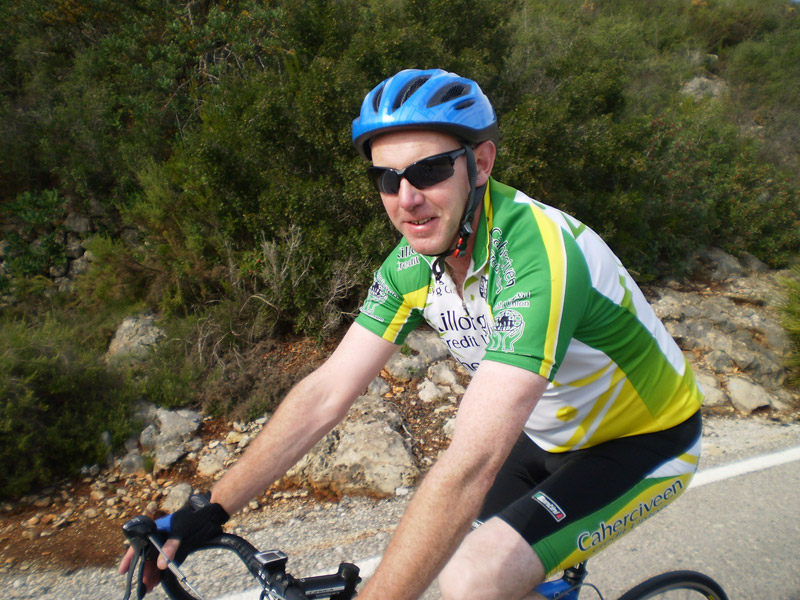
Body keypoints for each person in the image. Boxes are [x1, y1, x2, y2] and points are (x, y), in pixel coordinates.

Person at [120, 68, 704, 600]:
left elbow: (471, 462)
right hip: (544, 438)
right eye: (387, 178)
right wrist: (211, 508)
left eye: (429, 170)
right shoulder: (411, 266)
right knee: (444, 556)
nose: (407, 199)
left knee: (473, 576)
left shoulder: (539, 256)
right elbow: (326, 392)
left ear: (481, 163)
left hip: (643, 438)